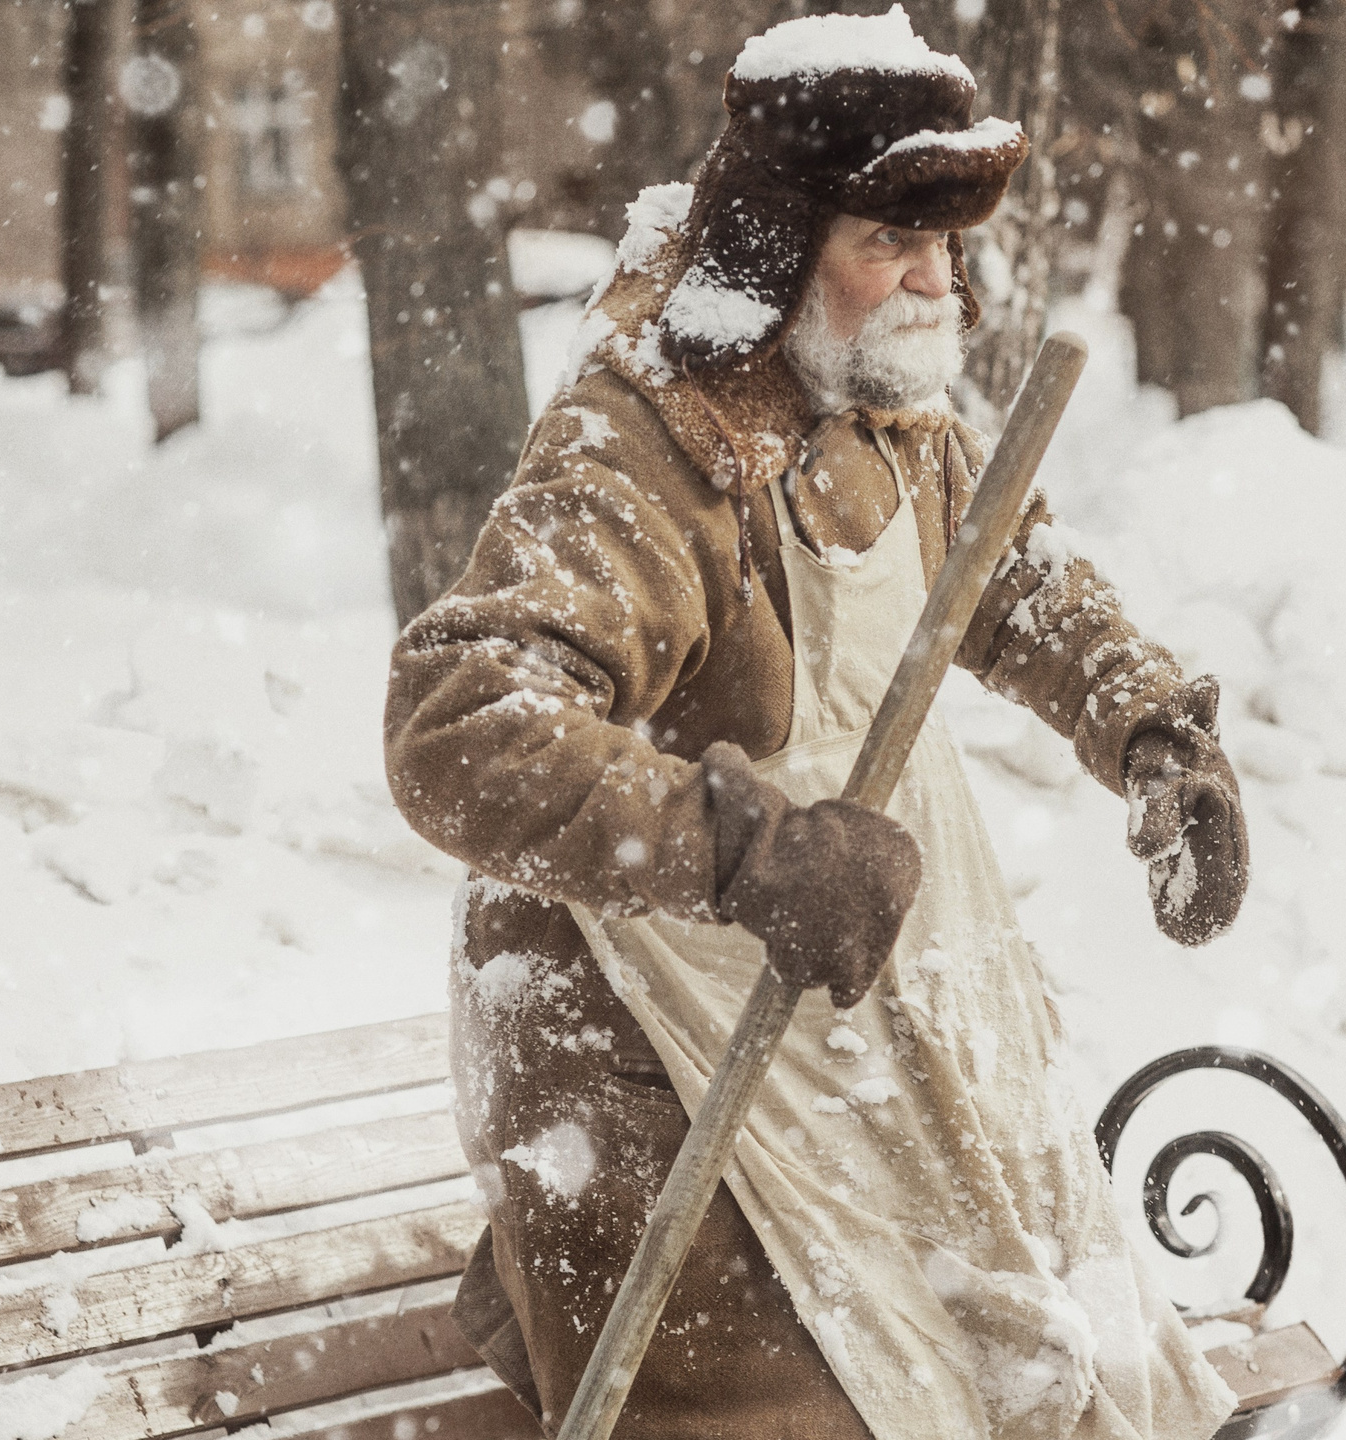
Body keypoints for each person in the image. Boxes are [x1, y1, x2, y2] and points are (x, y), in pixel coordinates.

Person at [383, 10, 1250, 1437]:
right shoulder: (646, 441)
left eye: (947, 250)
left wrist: (1149, 725)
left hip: (835, 1010)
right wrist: (739, 849)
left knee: (1046, 1361)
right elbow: (458, 721)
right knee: (823, 1406)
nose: (933, 287)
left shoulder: (876, 390)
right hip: (640, 1043)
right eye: (887, 247)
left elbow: (1004, 571)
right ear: (780, 248)